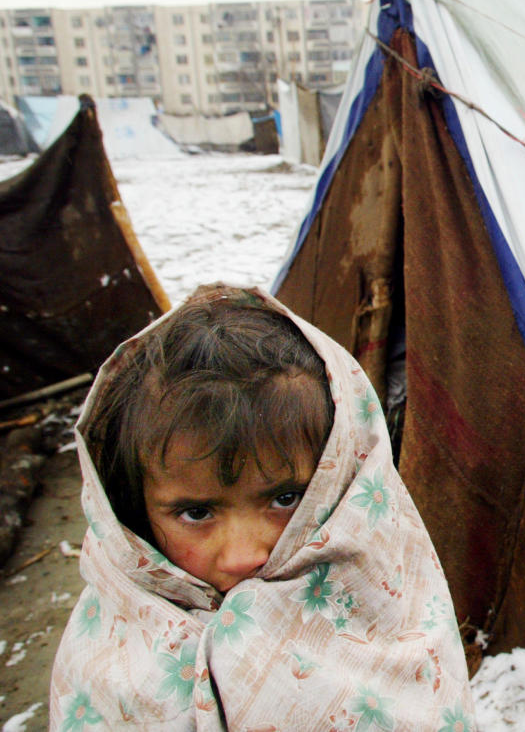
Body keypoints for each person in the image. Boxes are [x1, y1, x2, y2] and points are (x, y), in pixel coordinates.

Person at [49, 284, 475, 730]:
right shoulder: (107, 653)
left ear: (345, 484)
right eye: (197, 513)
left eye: (285, 499)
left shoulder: (389, 612)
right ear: (130, 509)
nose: (244, 556)